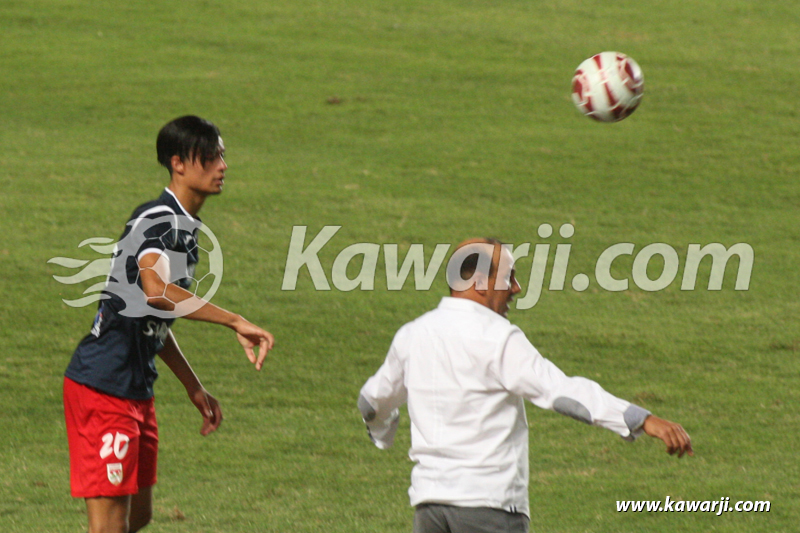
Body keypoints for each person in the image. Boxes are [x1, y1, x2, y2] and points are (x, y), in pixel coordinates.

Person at [358, 238, 692, 533]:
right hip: (489, 507)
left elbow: (372, 403)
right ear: (479, 282)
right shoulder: (498, 336)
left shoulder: (414, 333)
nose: (516, 288)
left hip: (430, 508)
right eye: (509, 277)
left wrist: (384, 432)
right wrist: (640, 419)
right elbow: (561, 393)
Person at [63, 115, 275, 533]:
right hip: (103, 387)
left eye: (223, 156)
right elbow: (157, 290)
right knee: (109, 526)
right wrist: (234, 321)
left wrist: (192, 384)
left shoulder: (185, 229)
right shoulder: (157, 218)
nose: (223, 166)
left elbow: (154, 315)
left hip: (136, 388)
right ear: (178, 163)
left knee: (138, 516)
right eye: (211, 156)